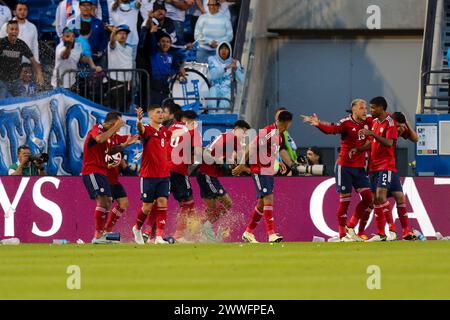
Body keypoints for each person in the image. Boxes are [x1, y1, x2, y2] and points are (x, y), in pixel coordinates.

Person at [302, 99, 374, 241]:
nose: (365, 111)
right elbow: (332, 130)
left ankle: (351, 226)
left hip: (359, 168)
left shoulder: (369, 121)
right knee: (345, 202)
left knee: (368, 198)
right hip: (345, 167)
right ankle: (342, 235)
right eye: (361, 108)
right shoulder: (346, 123)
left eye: (365, 108)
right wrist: (318, 124)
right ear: (353, 109)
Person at [233, 111, 293, 243]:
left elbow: (270, 150)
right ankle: (271, 234)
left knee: (261, 204)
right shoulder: (269, 131)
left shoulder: (279, 134)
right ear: (288, 123)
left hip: (268, 171)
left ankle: (248, 233)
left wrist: (280, 162)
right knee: (268, 198)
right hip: (259, 170)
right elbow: (252, 146)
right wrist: (242, 164)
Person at [82, 112, 137, 243]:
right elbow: (99, 139)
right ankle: (98, 235)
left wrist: (125, 145)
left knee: (107, 202)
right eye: (118, 125)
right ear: (112, 123)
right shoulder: (97, 129)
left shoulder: (109, 136)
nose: (118, 128)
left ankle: (102, 234)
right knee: (102, 201)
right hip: (92, 170)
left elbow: (110, 151)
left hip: (102, 172)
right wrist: (114, 128)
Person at [197, 119, 250, 241]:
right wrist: (219, 160)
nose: (245, 135)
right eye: (244, 132)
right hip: (207, 175)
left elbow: (235, 159)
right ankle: (206, 227)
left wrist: (230, 162)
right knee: (228, 203)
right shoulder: (226, 138)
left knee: (211, 209)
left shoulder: (234, 141)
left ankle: (199, 230)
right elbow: (206, 153)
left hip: (208, 175)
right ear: (236, 129)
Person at [358, 97, 401, 242]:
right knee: (375, 199)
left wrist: (373, 134)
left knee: (381, 196)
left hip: (385, 165)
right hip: (373, 166)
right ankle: (381, 234)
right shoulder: (375, 122)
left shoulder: (390, 122)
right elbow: (372, 143)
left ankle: (393, 231)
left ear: (382, 108)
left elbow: (389, 143)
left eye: (374, 107)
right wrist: (358, 149)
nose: (371, 110)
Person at [132, 105, 173, 245]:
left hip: (164, 175)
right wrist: (138, 120)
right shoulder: (146, 130)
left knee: (163, 202)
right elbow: (140, 129)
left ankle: (159, 237)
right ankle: (137, 228)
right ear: (150, 116)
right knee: (147, 207)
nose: (161, 115)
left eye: (162, 112)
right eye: (158, 112)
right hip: (148, 175)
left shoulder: (166, 132)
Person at [379, 111, 419, 241]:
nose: (401, 129)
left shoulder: (398, 126)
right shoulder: (384, 124)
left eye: (403, 127)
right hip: (379, 167)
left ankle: (406, 232)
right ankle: (387, 231)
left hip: (391, 168)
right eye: (399, 126)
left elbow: (415, 138)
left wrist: (406, 122)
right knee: (376, 199)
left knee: (400, 197)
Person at [166, 110, 202, 241]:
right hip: (179, 169)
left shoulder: (172, 128)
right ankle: (179, 235)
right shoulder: (193, 131)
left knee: (159, 202)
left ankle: (151, 234)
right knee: (188, 202)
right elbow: (198, 154)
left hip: (164, 169)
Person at [104, 133, 139, 233]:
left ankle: (108, 228)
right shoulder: (102, 143)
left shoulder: (117, 141)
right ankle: (100, 231)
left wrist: (125, 166)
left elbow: (126, 170)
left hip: (114, 182)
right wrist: (107, 165)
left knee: (123, 203)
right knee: (105, 206)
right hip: (105, 181)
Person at [147, 29, 185, 105]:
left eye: (168, 42)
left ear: (170, 44)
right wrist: (152, 33)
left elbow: (176, 69)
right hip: (154, 87)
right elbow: (151, 42)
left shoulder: (172, 56)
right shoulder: (154, 53)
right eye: (163, 41)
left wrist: (180, 69)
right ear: (158, 43)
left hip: (166, 87)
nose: (165, 44)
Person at [66, 0, 108, 66]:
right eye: (83, 5)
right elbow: (68, 40)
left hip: (96, 60)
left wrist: (101, 51)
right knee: (80, 76)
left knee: (97, 75)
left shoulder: (98, 22)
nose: (86, 7)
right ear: (79, 7)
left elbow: (104, 39)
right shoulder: (73, 23)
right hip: (79, 61)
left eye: (88, 5)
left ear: (91, 7)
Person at [0, 20, 43, 85]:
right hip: (1, 80)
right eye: (11, 29)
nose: (14, 31)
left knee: (23, 94)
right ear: (7, 30)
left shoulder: (21, 44)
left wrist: (39, 73)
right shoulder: (2, 43)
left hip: (15, 80)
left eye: (16, 29)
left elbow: (33, 61)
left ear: (18, 31)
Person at [207, 41, 244, 113]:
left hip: (227, 90)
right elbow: (213, 75)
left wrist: (236, 69)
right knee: (212, 91)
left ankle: (219, 119)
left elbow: (242, 80)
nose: (224, 50)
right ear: (218, 50)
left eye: (226, 49)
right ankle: (211, 116)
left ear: (229, 51)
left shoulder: (235, 62)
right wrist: (226, 68)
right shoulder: (212, 59)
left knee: (223, 105)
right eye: (222, 48)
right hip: (216, 87)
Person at [107, 24, 133, 112]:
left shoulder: (130, 48)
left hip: (128, 83)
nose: (123, 35)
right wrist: (113, 32)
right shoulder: (113, 45)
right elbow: (112, 42)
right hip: (115, 80)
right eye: (120, 33)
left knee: (126, 109)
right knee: (115, 110)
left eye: (125, 33)